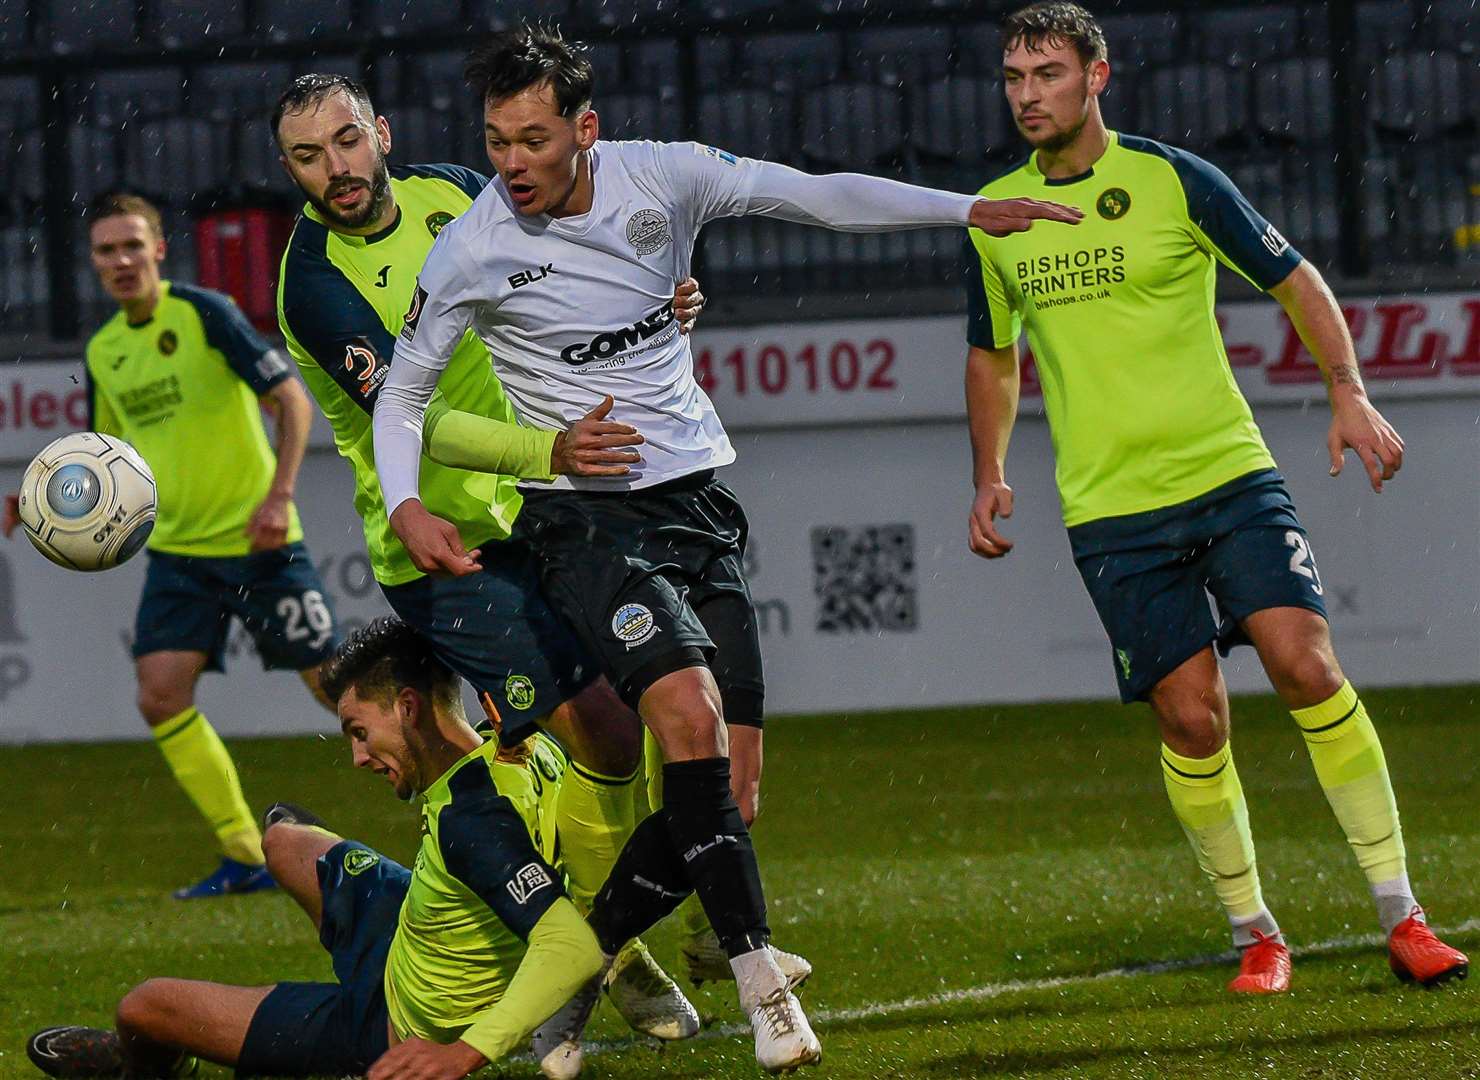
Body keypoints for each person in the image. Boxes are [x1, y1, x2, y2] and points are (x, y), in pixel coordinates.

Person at [370, 24, 1082, 1072]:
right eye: (495, 140)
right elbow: (404, 393)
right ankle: (761, 987)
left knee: (727, 791)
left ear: (585, 129)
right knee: (685, 714)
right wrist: (402, 505)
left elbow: (818, 194)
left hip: (696, 503)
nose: (511, 163)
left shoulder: (665, 179)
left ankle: (578, 974)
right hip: (580, 518)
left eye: (531, 138)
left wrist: (967, 208)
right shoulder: (473, 245)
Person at [268, 72, 798, 1051]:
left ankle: (610, 939)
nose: (335, 169)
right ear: (290, 169)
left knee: (637, 721)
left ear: (379, 132)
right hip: (439, 541)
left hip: (549, 509)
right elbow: (410, 415)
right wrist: (542, 450)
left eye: (346, 141)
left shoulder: (459, 193)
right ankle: (614, 956)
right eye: (308, 156)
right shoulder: (312, 284)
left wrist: (649, 298)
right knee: (597, 721)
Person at [960, 1, 1468, 994]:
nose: (1027, 96)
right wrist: (987, 472)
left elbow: (1294, 279)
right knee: (1192, 722)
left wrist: (1346, 391)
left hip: (1227, 475)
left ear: (1095, 77)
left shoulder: (1172, 179)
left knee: (1305, 664)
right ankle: (1254, 932)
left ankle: (1401, 913)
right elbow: (991, 356)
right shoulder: (994, 217)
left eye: (1046, 75)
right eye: (1013, 78)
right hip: (1110, 510)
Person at [26, 616, 605, 1080]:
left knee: (144, 1009)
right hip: (410, 933)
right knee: (282, 836)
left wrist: (465, 1053)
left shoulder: (471, 823)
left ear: (407, 706)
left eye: (359, 731)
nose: (357, 757)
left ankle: (149, 1064)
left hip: (388, 1023)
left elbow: (571, 947)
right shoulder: (518, 745)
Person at [1, 193, 340, 901]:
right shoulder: (103, 351)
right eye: (105, 251)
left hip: (261, 545)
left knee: (338, 692)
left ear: (159, 249)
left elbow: (292, 401)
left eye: (132, 246)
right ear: (92, 262)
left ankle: (457, 805)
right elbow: (103, 459)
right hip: (180, 557)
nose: (120, 261)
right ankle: (248, 855)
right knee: (160, 697)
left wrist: (280, 497)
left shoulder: (204, 312)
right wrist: (36, 503)